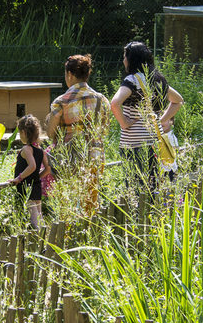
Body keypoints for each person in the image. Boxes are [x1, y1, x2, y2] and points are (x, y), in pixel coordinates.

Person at [110, 41, 184, 200]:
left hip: (133, 145)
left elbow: (115, 103)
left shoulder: (132, 80)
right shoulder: (158, 79)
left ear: (131, 59)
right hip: (155, 143)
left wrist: (124, 123)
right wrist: (161, 119)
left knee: (136, 191)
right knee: (154, 187)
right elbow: (178, 100)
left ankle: (139, 222)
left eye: (125, 56)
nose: (123, 60)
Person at [45, 54, 111, 216]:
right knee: (90, 204)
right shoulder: (102, 100)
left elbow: (50, 133)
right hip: (95, 158)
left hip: (69, 160)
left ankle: (70, 237)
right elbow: (105, 130)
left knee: (69, 205)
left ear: (70, 74)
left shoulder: (61, 101)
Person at [10, 114, 51, 229]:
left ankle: (40, 241)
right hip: (36, 186)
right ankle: (44, 238)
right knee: (39, 216)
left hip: (26, 187)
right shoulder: (40, 150)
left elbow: (32, 166)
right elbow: (48, 169)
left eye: (19, 133)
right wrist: (37, 177)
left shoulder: (27, 149)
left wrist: (18, 178)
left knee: (34, 219)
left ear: (23, 132)